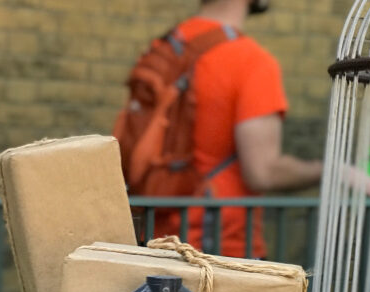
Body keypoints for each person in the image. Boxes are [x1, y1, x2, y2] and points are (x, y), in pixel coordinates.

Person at [128, 0, 343, 258]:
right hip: (219, 250)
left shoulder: (160, 49)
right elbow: (263, 173)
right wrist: (334, 172)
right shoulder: (251, 61)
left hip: (147, 240)